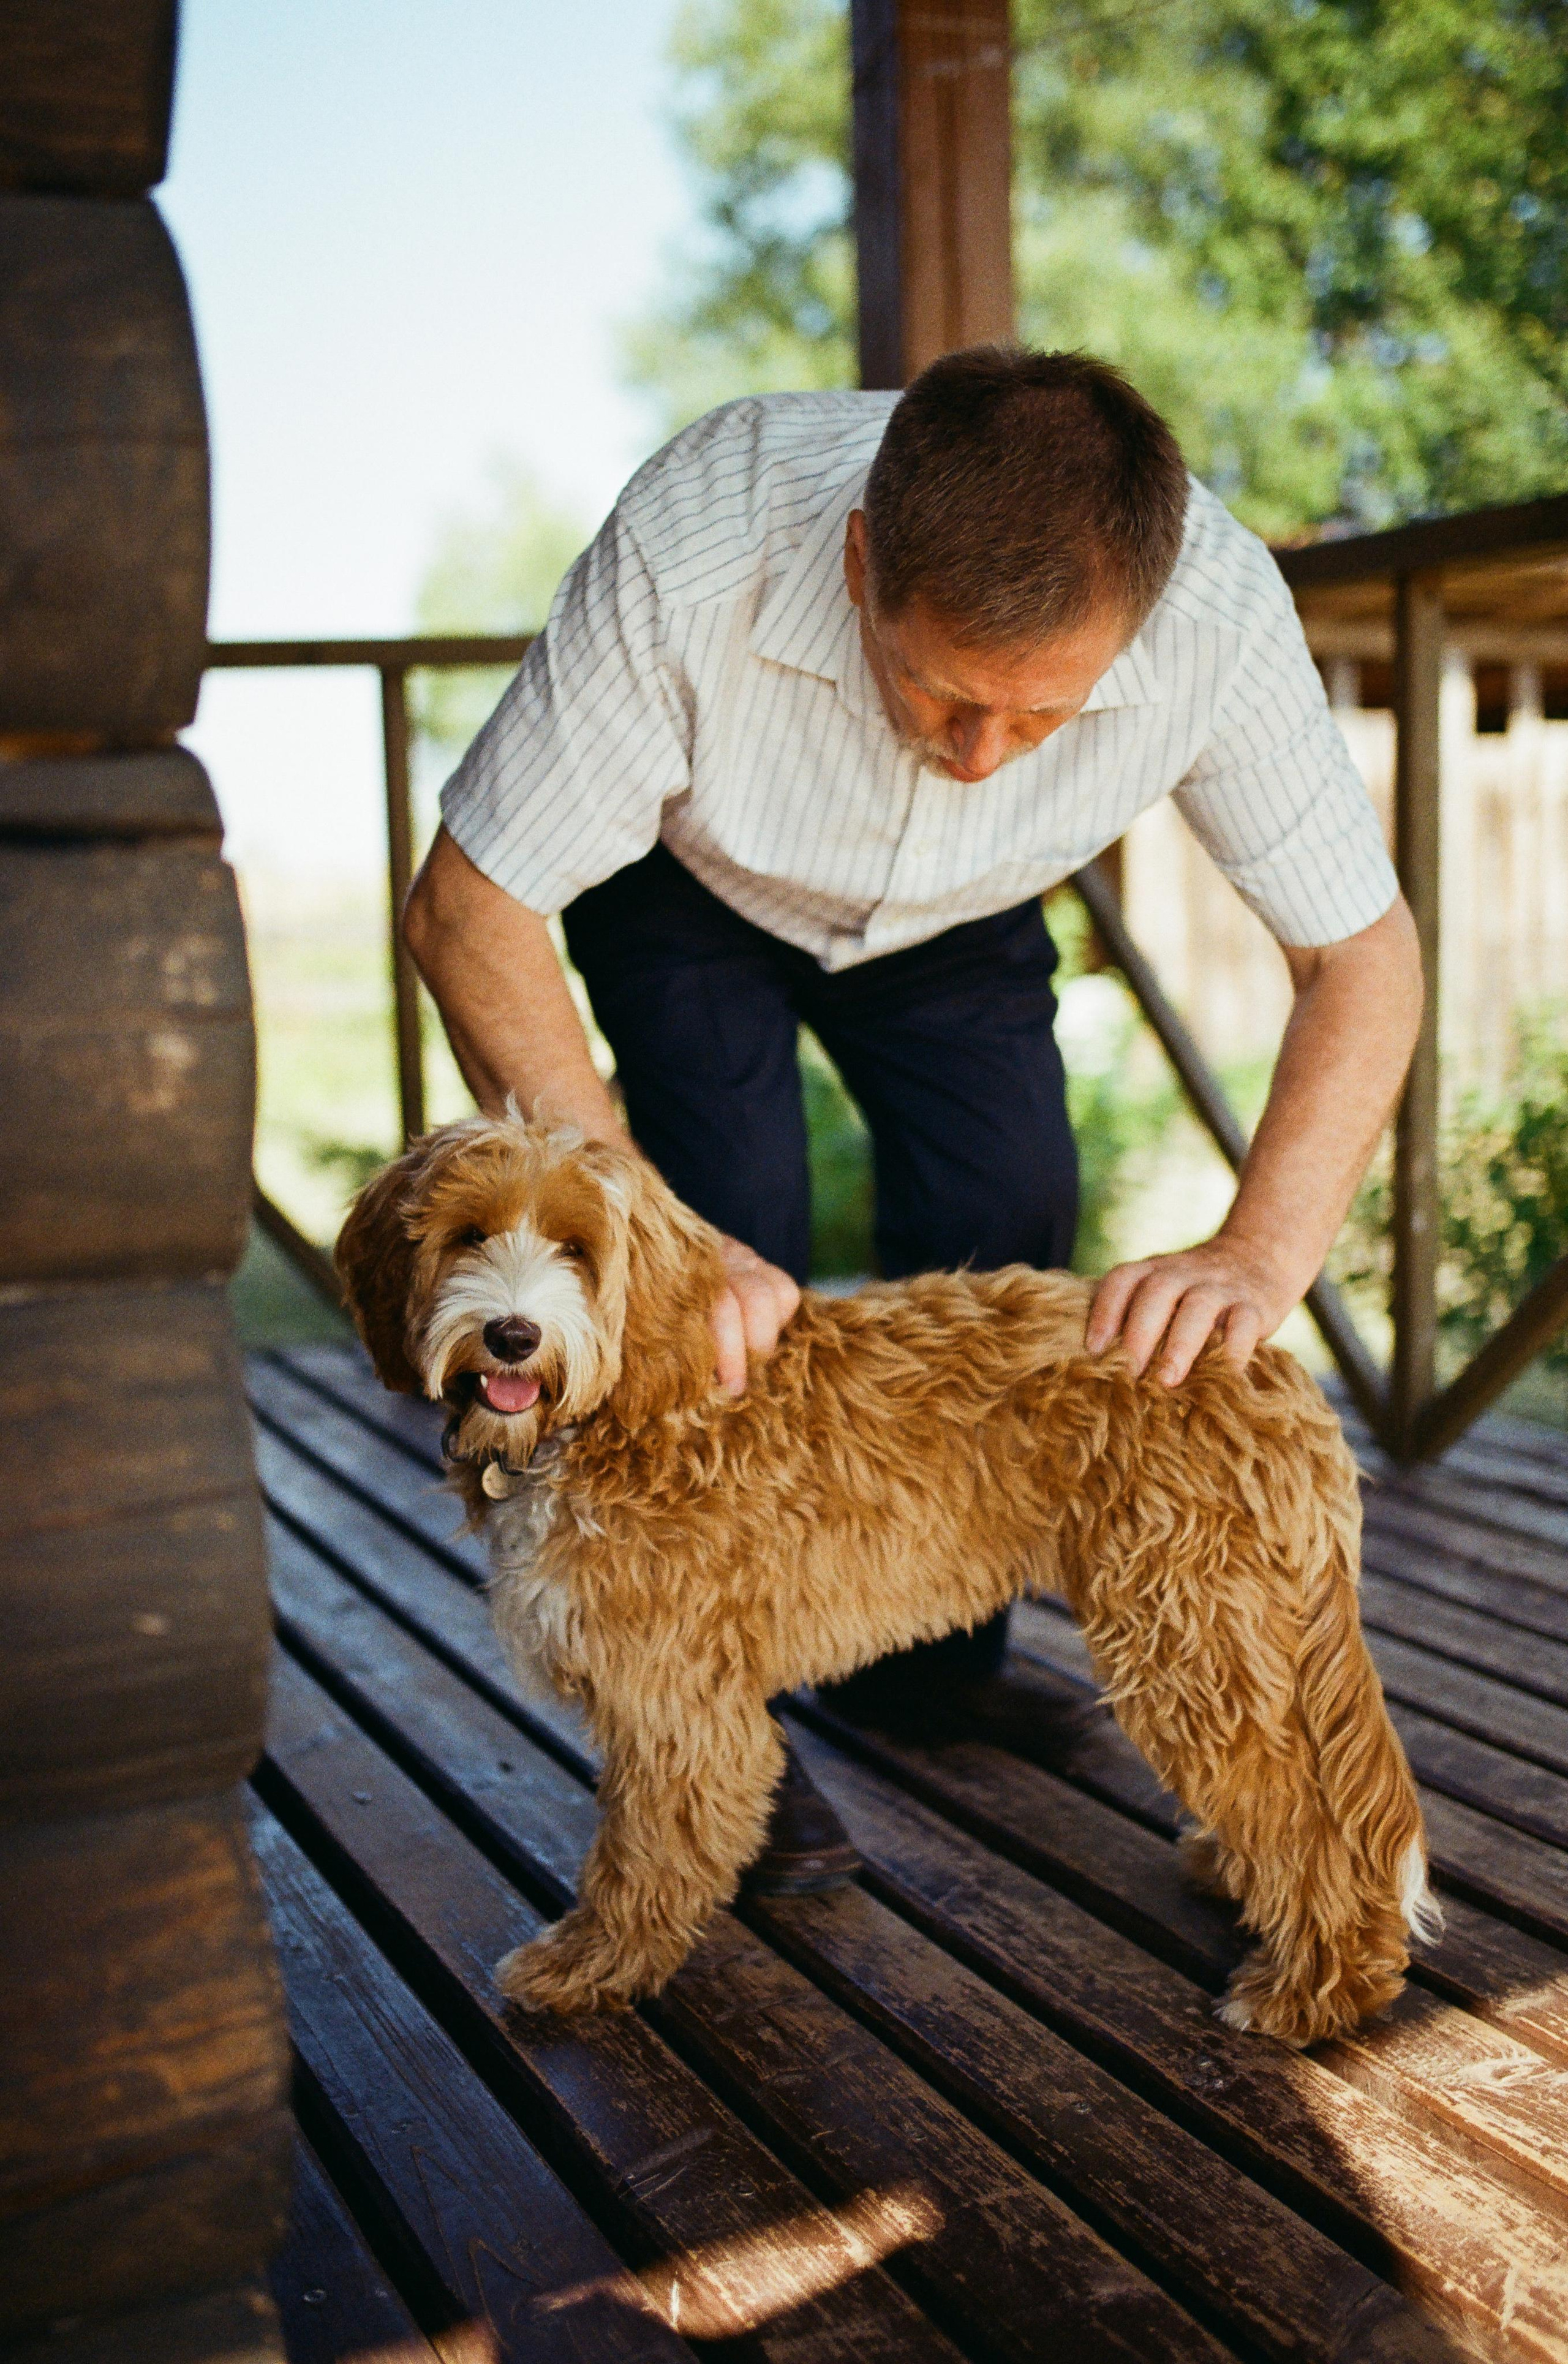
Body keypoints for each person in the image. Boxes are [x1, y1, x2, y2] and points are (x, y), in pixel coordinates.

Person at [404, 346, 1422, 1895]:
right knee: (720, 1237)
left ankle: (921, 1666)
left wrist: (1260, 1252)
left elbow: (1359, 956)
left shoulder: (1215, 615)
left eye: (1041, 719)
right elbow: (469, 904)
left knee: (1005, 1198)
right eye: (939, 692)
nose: (974, 757)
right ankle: (709, 1709)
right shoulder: (705, 534)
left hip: (966, 920)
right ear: (862, 559)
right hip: (688, 887)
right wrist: (660, 1237)